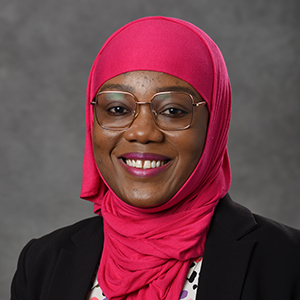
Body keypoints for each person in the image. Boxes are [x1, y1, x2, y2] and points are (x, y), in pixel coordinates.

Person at [11, 16, 300, 300]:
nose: (142, 132)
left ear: (214, 124)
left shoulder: (288, 263)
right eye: (116, 109)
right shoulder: (41, 263)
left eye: (173, 110)